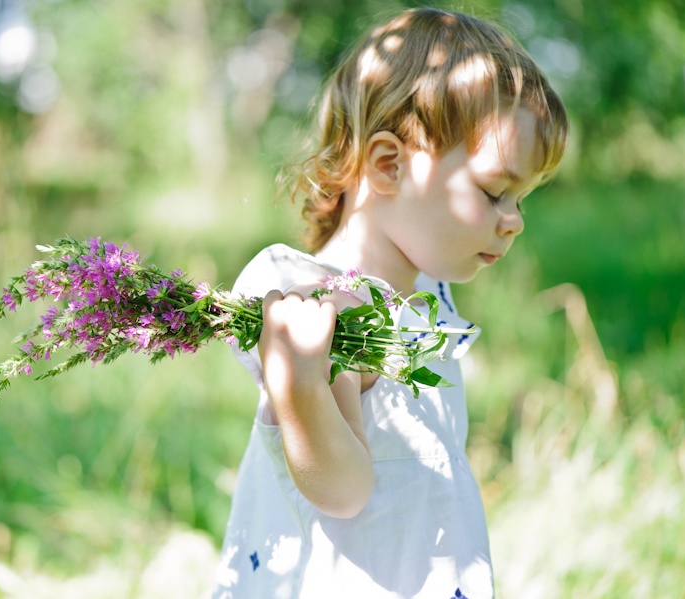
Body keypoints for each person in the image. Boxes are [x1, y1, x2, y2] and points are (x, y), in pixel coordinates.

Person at [212, 7, 568, 598]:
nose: (514, 223)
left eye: (521, 202)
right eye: (494, 192)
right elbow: (342, 490)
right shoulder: (320, 305)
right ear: (388, 165)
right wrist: (300, 386)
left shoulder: (427, 296)